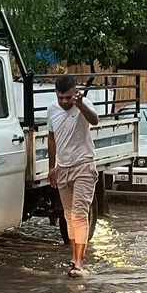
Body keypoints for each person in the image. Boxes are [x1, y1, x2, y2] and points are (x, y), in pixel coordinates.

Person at [47, 75, 100, 277]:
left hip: (84, 166)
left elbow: (94, 120)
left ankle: (78, 263)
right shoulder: (52, 109)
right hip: (63, 168)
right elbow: (51, 139)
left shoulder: (83, 104)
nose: (64, 101)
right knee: (68, 215)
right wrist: (52, 168)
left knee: (79, 214)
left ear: (75, 92)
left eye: (68, 97)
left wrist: (80, 105)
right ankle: (73, 256)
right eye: (60, 97)